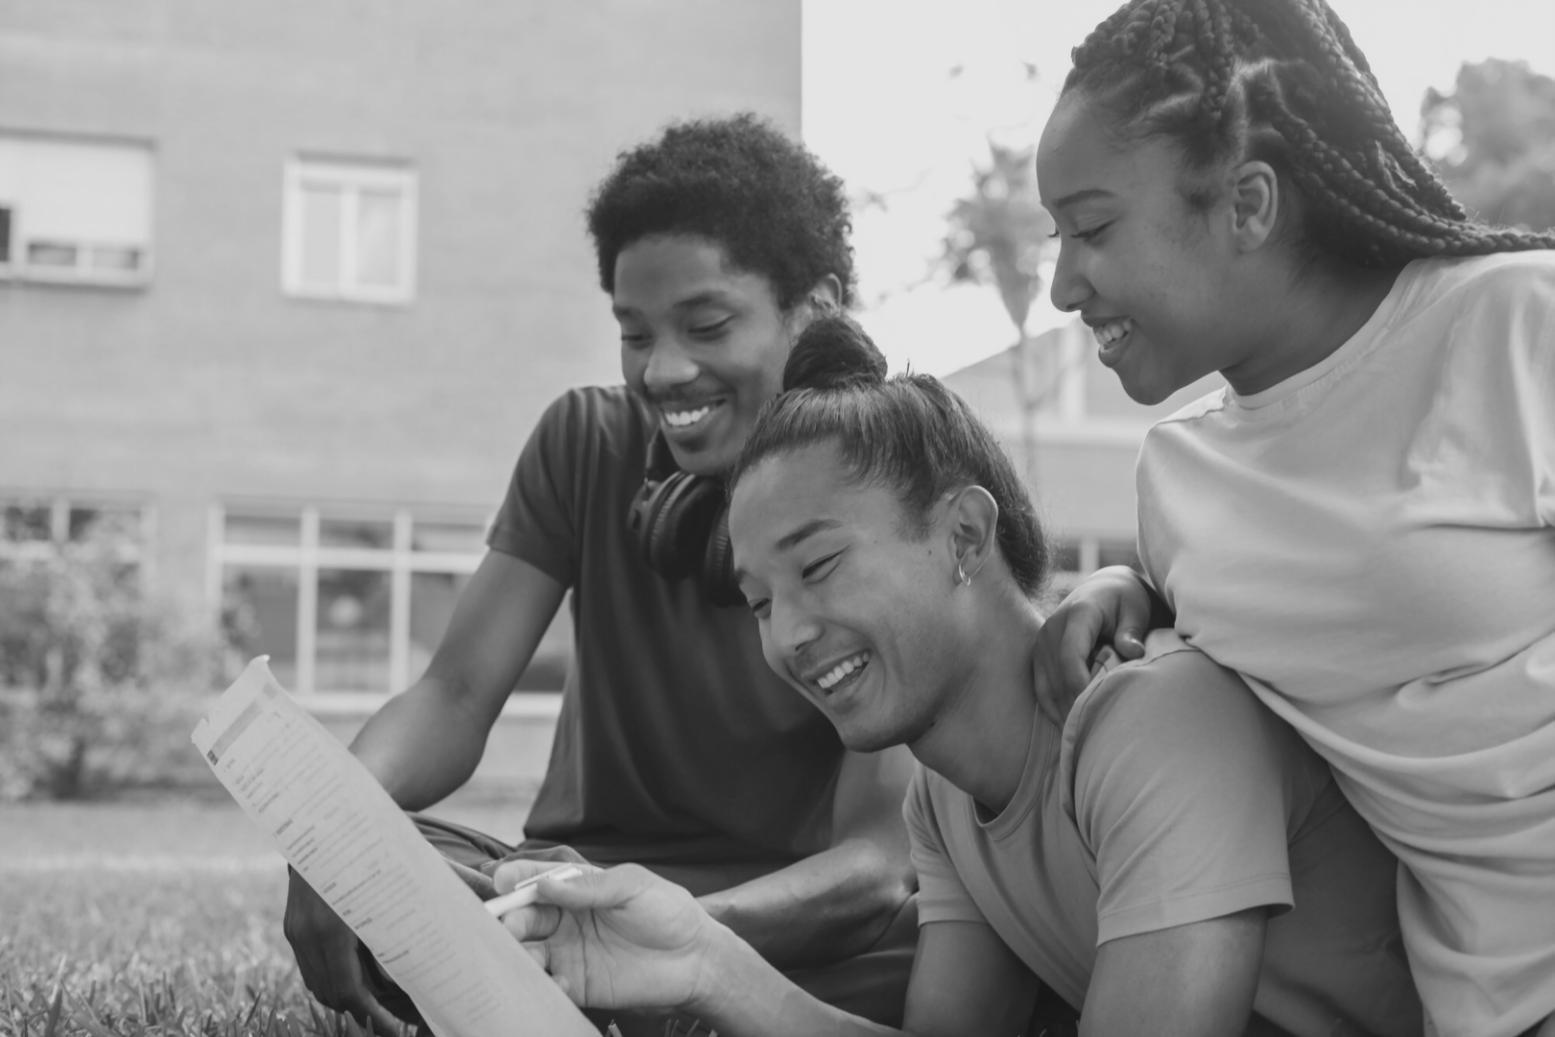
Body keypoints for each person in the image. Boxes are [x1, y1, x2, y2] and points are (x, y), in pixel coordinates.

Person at [494, 314, 1422, 1037]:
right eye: (761, 601)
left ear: (963, 537)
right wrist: (702, 960)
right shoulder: (942, 797)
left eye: (816, 568)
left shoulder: (1150, 717)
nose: (790, 636)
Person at [281, 114, 918, 1036]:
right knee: (406, 866)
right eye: (632, 333)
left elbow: (876, 859)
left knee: (940, 950)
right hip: (570, 884)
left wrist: (676, 942)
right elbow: (454, 693)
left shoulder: (883, 481)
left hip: (786, 923)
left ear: (812, 308)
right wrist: (334, 828)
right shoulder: (583, 442)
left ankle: (613, 992)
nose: (661, 371)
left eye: (705, 324)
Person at [1024, 1, 1555, 1034]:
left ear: (1247, 204)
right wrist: (1122, 584)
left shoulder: (1515, 326)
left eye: (1091, 229)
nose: (1059, 284)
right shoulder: (1176, 476)